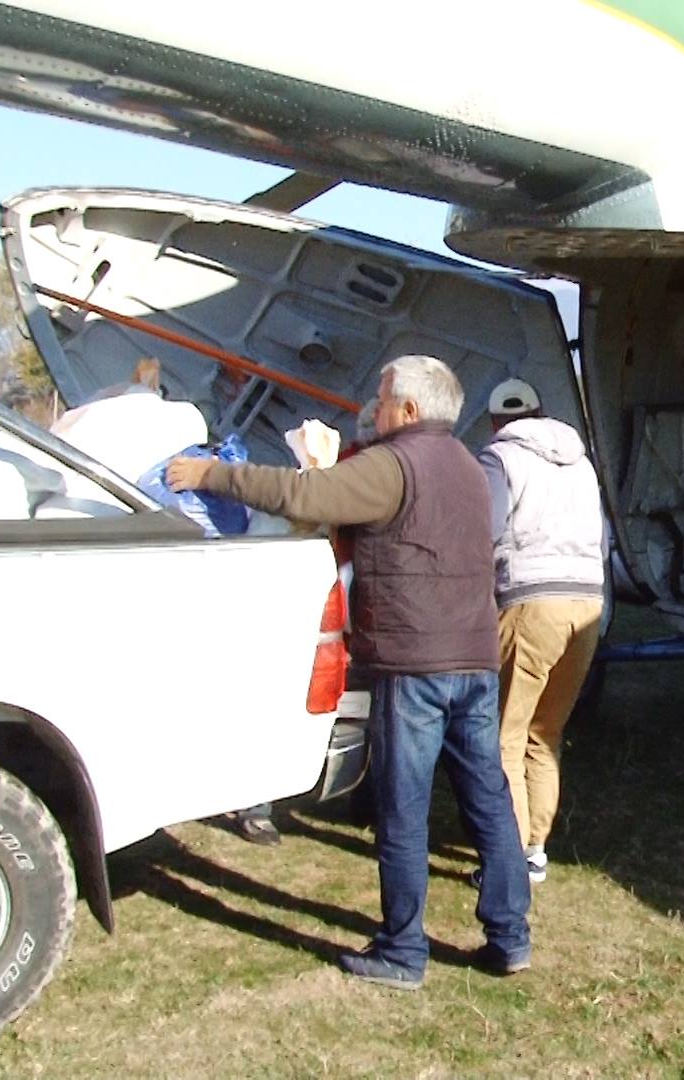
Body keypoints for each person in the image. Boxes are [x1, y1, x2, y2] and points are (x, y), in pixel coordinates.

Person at [167, 355, 530, 990]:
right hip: (474, 658)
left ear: (411, 410)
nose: (376, 405)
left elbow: (300, 495)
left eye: (384, 397)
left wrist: (209, 473)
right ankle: (510, 936)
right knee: (488, 799)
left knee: (403, 807)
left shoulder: (392, 466)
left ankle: (403, 951)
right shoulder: (471, 467)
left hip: (412, 662)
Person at [477, 377, 606, 885]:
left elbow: (485, 533)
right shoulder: (581, 462)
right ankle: (535, 847)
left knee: (505, 733)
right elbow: (602, 537)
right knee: (546, 733)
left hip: (530, 602)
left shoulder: (499, 459)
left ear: (495, 422)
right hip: (587, 600)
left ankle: (508, 857)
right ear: (540, 411)